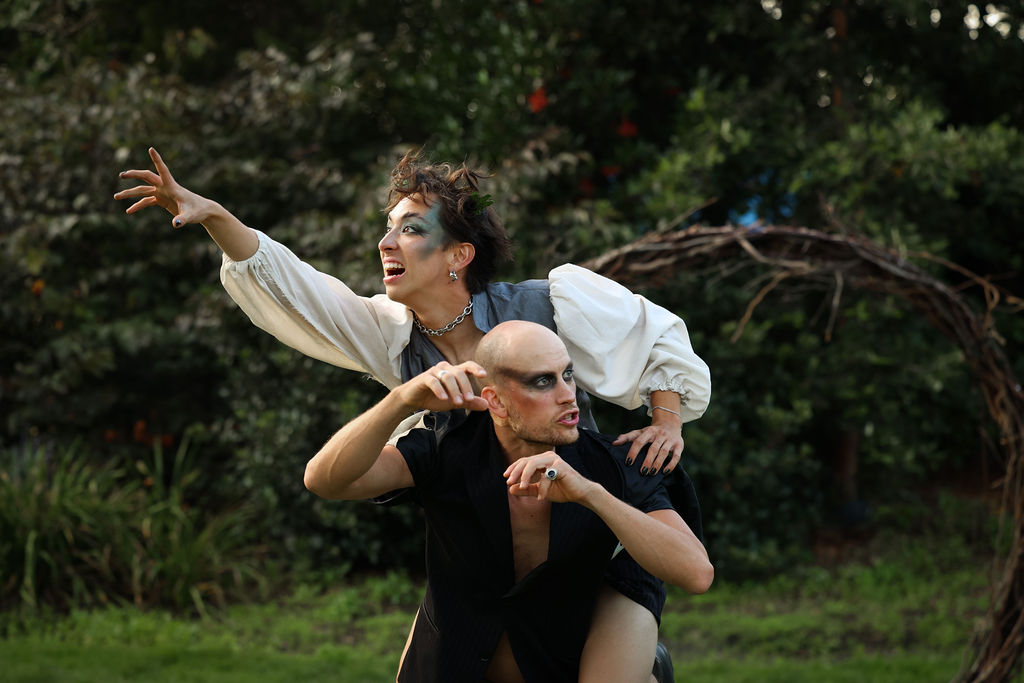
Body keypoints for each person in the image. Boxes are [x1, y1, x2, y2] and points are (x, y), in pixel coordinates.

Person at [114, 147, 712, 679]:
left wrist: (665, 421)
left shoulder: (544, 306)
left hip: (590, 529)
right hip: (483, 525)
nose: (386, 243)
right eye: (387, 228)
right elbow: (300, 290)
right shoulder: (392, 335)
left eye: (410, 229)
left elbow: (652, 338)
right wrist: (215, 217)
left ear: (459, 255)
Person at [305, 320, 713, 682]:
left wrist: (591, 494)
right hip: (449, 663)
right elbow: (324, 480)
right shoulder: (445, 447)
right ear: (495, 401)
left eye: (568, 375)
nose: (568, 395)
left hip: (561, 666)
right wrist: (401, 401)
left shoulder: (613, 463)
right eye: (543, 382)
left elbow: (697, 574)